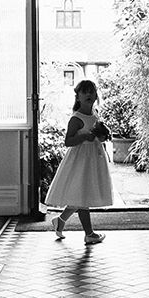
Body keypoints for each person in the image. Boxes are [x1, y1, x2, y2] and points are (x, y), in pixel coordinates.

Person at [45, 79, 113, 245]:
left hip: (93, 159)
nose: (89, 94)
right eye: (85, 92)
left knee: (82, 195)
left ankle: (60, 221)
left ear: (96, 95)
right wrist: (84, 137)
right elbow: (68, 141)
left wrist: (101, 137)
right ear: (78, 97)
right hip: (81, 161)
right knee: (82, 195)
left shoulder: (94, 114)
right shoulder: (76, 118)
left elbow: (95, 134)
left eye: (92, 91)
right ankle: (89, 233)